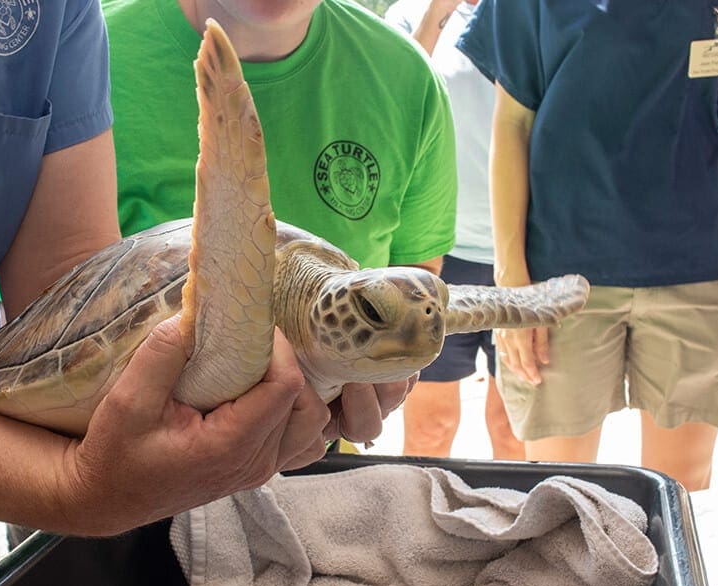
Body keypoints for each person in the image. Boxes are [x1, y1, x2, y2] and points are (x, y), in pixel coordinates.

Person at [0, 2, 408, 586]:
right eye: (370, 314)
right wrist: (69, 489)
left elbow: (68, 279)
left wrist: (227, 388)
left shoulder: (56, 13)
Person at [102, 0, 458, 446]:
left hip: (323, 460)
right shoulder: (85, 56)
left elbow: (419, 276)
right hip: (107, 461)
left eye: (373, 308)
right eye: (373, 311)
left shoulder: (407, 77)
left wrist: (381, 373)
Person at [459, 0, 718, 491]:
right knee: (560, 492)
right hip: (559, 279)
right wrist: (512, 288)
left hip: (698, 271)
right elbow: (511, 124)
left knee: (679, 490)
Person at [385, 0, 524, 460]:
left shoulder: (532, 13)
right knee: (430, 427)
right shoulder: (408, 15)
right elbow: (393, 97)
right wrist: (437, 13)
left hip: (524, 251)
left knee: (514, 429)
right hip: (439, 254)